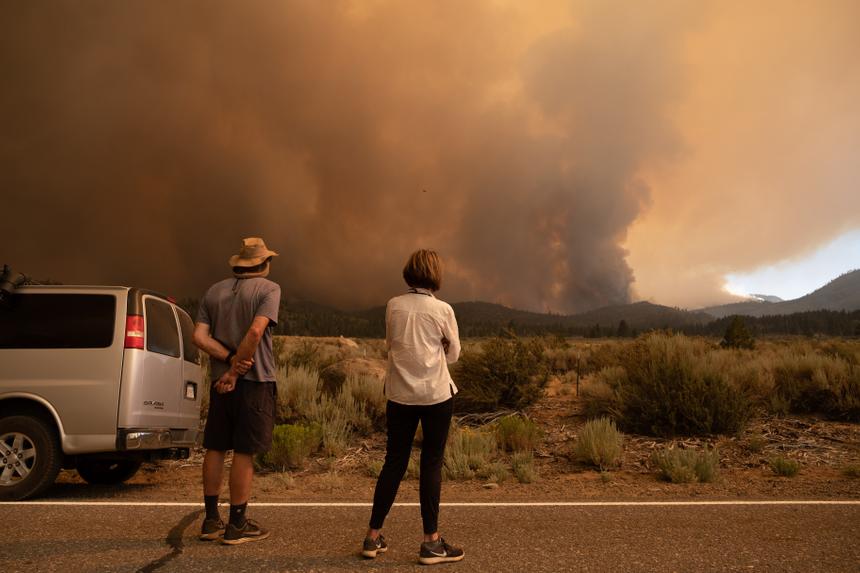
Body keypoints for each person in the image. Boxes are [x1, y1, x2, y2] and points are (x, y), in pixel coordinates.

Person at [362, 249, 464, 565]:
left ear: (409, 273)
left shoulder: (394, 306)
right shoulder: (443, 310)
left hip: (400, 395)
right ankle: (431, 543)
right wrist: (441, 349)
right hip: (435, 395)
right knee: (431, 464)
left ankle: (372, 537)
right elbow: (455, 354)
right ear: (435, 274)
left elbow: (392, 346)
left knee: (394, 462)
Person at [193, 237, 281, 545]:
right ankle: (238, 525)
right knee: (244, 452)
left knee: (216, 447)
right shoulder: (269, 289)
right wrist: (235, 370)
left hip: (220, 385)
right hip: (254, 383)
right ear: (264, 264)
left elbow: (199, 338)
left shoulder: (213, 292)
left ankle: (210, 521)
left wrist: (227, 363)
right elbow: (256, 331)